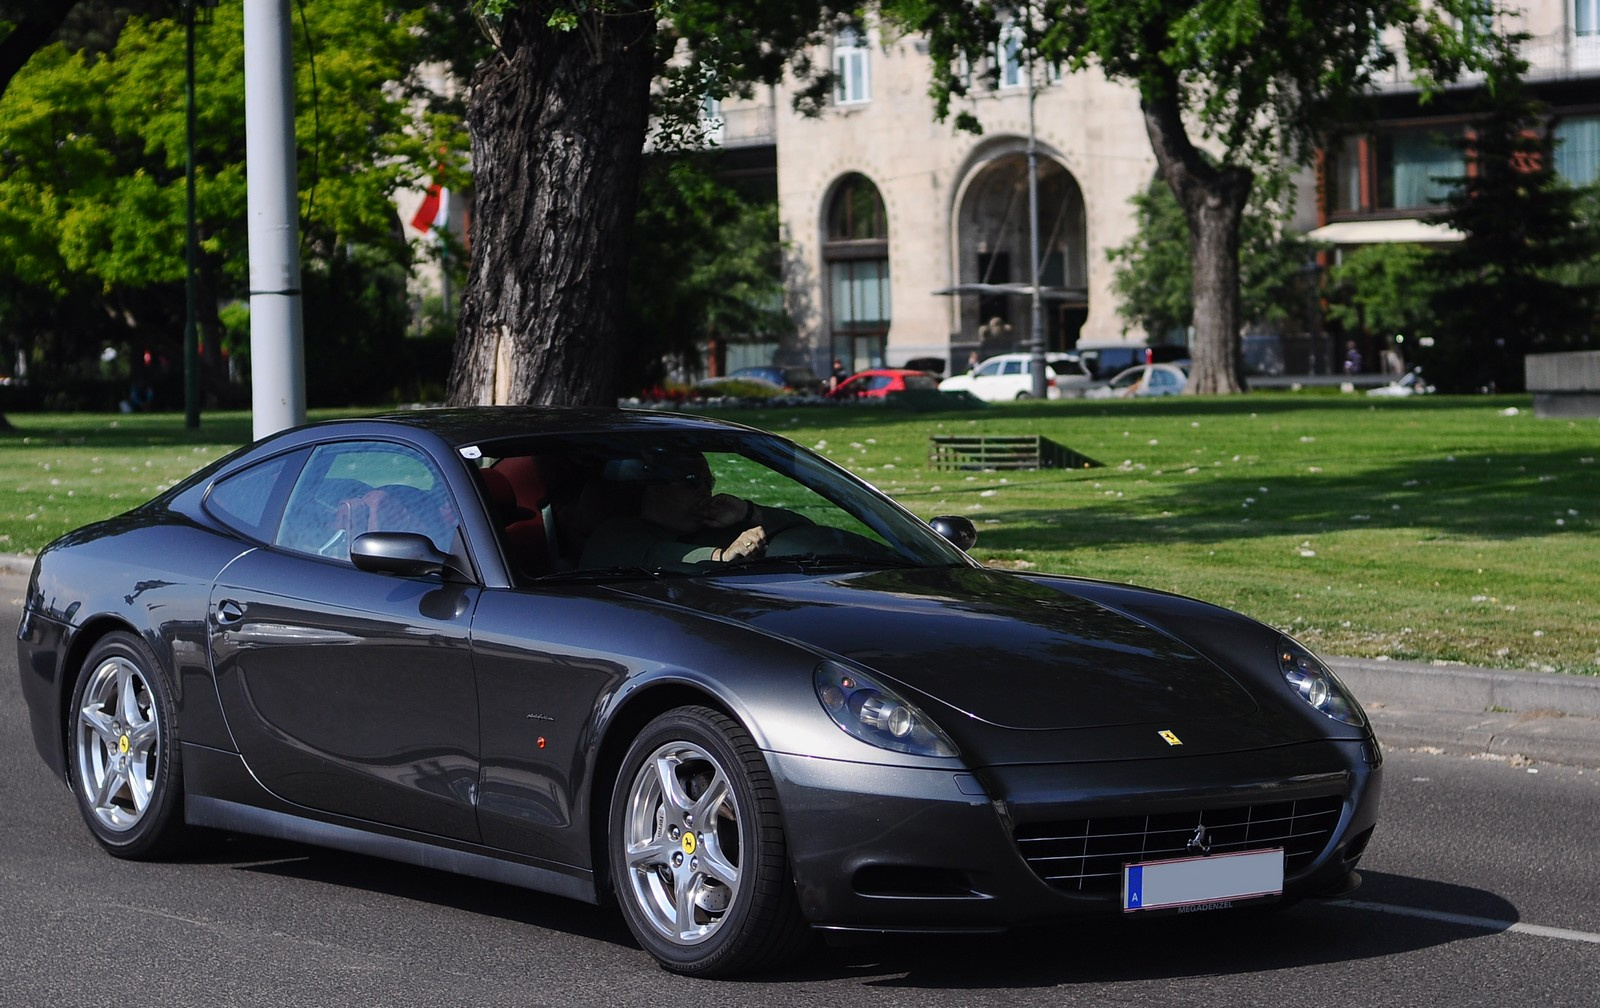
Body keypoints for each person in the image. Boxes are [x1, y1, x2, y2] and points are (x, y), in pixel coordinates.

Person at [579, 451, 807, 571]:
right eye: (691, 481)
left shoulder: (719, 528)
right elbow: (658, 557)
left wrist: (749, 512)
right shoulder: (615, 534)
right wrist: (722, 557)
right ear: (654, 487)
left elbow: (805, 533)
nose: (705, 491)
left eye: (709, 482)